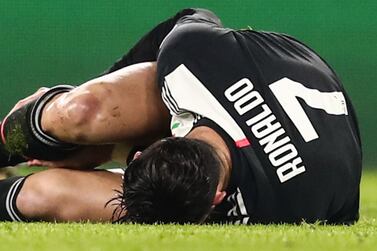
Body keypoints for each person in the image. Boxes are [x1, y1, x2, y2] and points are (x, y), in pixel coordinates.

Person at [0, 8, 362, 224]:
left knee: (42, 195)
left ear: (216, 201)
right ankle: (9, 143)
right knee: (80, 112)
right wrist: (95, 113)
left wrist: (110, 154)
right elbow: (192, 16)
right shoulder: (195, 59)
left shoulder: (280, 206)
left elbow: (342, 209)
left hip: (299, 142)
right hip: (265, 68)